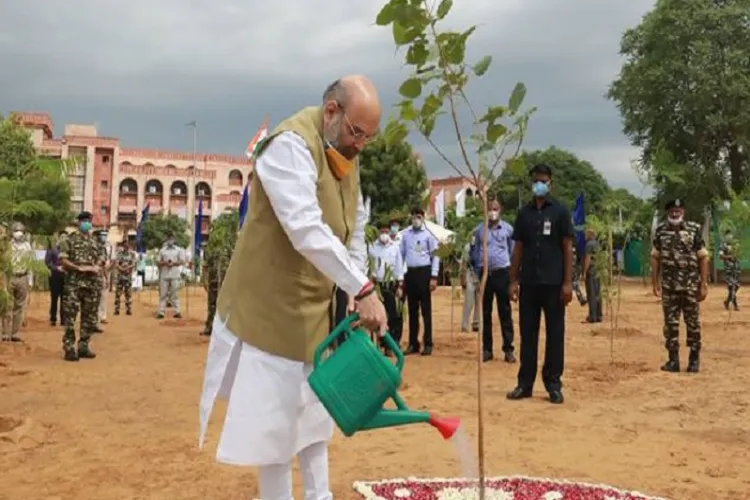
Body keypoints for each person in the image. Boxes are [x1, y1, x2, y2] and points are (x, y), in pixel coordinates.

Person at [198, 75, 387, 500]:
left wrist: (359, 295)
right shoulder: (289, 146)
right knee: (276, 438)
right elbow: (305, 229)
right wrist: (362, 290)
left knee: (314, 425)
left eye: (368, 138)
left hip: (313, 320)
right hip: (270, 317)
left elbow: (352, 235)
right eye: (356, 132)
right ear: (331, 111)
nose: (359, 146)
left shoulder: (346, 159)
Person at [507, 164, 573, 404]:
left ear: (550, 183)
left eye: (543, 181)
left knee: (555, 335)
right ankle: (525, 384)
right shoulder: (524, 214)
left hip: (554, 285)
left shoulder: (560, 212)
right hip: (530, 284)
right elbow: (518, 248)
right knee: (528, 335)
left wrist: (568, 283)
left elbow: (567, 247)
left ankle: (553, 384)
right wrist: (513, 279)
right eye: (535, 181)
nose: (539, 185)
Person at [651, 198, 708, 373]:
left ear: (683, 212)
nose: (675, 214)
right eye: (672, 211)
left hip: (690, 286)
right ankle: (673, 361)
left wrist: (704, 284)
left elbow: (703, 257)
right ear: (668, 213)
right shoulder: (660, 230)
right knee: (670, 324)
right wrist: (655, 282)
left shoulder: (694, 229)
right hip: (669, 287)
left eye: (678, 211)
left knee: (693, 324)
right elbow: (655, 257)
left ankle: (693, 360)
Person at [471, 199, 515, 363]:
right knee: (486, 313)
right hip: (485, 275)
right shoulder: (480, 230)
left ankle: (509, 349)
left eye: (495, 208)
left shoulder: (508, 229)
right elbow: (475, 252)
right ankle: (487, 349)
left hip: (502, 273)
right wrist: (478, 271)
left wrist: (512, 274)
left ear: (500, 209)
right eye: (489, 209)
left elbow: (513, 250)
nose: (492, 211)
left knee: (505, 312)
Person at [59, 212, 100, 361]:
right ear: (78, 223)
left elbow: (102, 257)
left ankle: (83, 346)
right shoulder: (68, 240)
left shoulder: (95, 241)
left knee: (88, 317)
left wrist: (97, 266)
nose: (86, 223)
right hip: (73, 285)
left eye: (88, 221)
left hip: (91, 284)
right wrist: (77, 268)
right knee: (70, 317)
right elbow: (63, 260)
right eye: (83, 221)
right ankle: (69, 348)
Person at [400, 207, 440, 356]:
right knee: (412, 311)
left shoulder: (428, 234)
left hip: (424, 272)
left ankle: (428, 343)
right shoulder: (406, 234)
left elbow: (435, 255)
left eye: (418, 216)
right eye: (413, 217)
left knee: (426, 311)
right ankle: (413, 343)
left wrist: (434, 276)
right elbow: (401, 255)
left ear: (423, 218)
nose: (415, 219)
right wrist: (401, 275)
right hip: (410, 273)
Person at [369, 222, 404, 354]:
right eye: (381, 232)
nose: (384, 235)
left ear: (389, 233)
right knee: (378, 314)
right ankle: (380, 342)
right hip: (378, 285)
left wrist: (400, 286)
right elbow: (371, 268)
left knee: (393, 314)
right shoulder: (372, 248)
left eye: (386, 232)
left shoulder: (394, 248)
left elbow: (399, 267)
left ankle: (392, 343)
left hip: (391, 284)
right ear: (378, 233)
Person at [2, 222, 34, 342]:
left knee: (19, 306)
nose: (18, 232)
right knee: (7, 306)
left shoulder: (27, 246)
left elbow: (30, 264)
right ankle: (5, 333)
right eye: (16, 230)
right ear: (12, 232)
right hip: (10, 276)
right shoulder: (8, 246)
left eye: (20, 230)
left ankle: (15, 333)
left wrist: (30, 281)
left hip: (23, 277)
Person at [200, 228, 235, 337]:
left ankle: (223, 330)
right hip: (213, 281)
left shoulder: (228, 249)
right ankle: (209, 327)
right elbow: (205, 266)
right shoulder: (210, 250)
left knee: (224, 305)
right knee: (211, 305)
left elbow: (233, 265)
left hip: (225, 282)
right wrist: (205, 280)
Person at [157, 231, 185, 319]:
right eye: (169, 238)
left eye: (172, 238)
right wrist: (165, 263)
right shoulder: (162, 250)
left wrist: (173, 263)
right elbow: (158, 262)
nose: (170, 240)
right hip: (164, 275)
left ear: (174, 239)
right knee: (163, 294)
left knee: (175, 294)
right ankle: (161, 312)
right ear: (167, 239)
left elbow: (182, 261)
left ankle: (177, 311)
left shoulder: (179, 250)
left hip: (174, 275)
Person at [45, 231, 67, 327]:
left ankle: (64, 319)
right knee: (54, 298)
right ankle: (53, 318)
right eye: (62, 237)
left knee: (64, 298)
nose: (64, 239)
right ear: (59, 238)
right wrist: (56, 268)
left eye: (65, 237)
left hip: (65, 276)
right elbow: (47, 262)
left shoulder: (68, 251)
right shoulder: (52, 249)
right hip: (55, 275)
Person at [582, 228, 603, 323]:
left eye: (586, 234)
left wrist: (584, 272)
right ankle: (599, 315)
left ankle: (592, 316)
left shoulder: (588, 245)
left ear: (590, 235)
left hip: (591, 270)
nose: (585, 236)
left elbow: (587, 259)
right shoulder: (598, 244)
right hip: (598, 270)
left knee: (591, 293)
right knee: (598, 292)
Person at [460, 240, 479, 333]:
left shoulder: (484, 246)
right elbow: (463, 263)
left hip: (480, 275)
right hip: (470, 275)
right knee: (469, 301)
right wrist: (463, 278)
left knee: (479, 301)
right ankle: (464, 324)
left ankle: (476, 323)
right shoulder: (467, 247)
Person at [719, 229, 740, 311]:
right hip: (728, 269)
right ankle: (735, 305)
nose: (730, 237)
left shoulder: (736, 245)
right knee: (731, 287)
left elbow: (738, 254)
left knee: (737, 286)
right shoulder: (722, 245)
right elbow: (721, 256)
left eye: (731, 235)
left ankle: (727, 301)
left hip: (736, 268)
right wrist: (729, 257)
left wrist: (736, 255)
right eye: (728, 235)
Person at [113, 241, 136, 315]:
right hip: (120, 277)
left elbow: (133, 264)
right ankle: (117, 309)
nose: (126, 247)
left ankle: (128, 309)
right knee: (118, 294)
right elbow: (116, 264)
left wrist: (127, 268)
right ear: (123, 246)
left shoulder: (132, 254)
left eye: (127, 245)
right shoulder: (119, 254)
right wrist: (121, 269)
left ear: (129, 246)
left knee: (128, 294)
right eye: (124, 245)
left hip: (128, 276)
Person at [96, 230, 113, 325]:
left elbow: (110, 260)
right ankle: (96, 317)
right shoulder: (95, 246)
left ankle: (103, 316)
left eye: (105, 235)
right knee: (95, 296)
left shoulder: (109, 246)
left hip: (106, 272)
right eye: (102, 235)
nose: (104, 237)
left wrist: (107, 276)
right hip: (97, 273)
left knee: (103, 295)